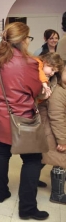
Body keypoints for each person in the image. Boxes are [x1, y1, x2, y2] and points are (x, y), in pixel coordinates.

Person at [0, 22, 49, 220]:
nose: (28, 42)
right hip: (22, 119)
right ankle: (27, 209)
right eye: (28, 38)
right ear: (21, 40)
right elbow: (36, 91)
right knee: (32, 160)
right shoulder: (28, 63)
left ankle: (0, 193)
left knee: (1, 153)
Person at [0, 52, 63, 118]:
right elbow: (40, 73)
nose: (52, 73)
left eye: (55, 72)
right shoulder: (37, 63)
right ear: (46, 62)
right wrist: (45, 84)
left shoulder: (49, 78)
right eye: (52, 69)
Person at [39, 57, 66, 205]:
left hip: (51, 130)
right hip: (51, 131)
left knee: (40, 159)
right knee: (60, 160)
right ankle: (57, 194)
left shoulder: (60, 87)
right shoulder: (59, 91)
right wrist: (62, 140)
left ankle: (33, 177)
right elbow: (57, 118)